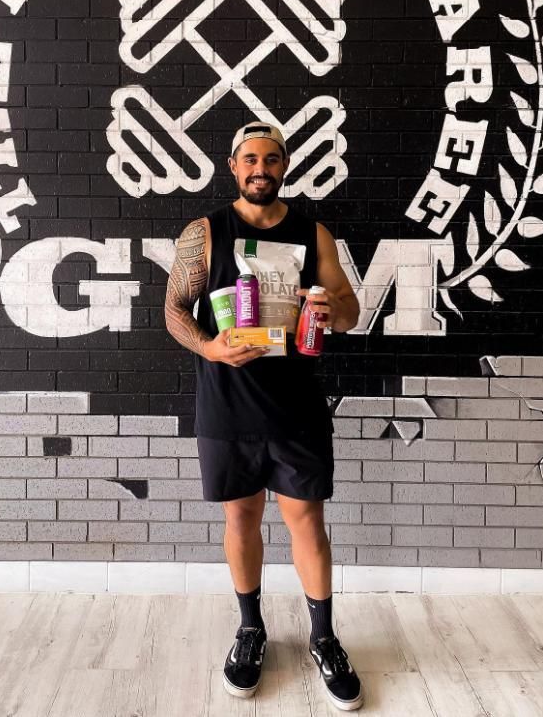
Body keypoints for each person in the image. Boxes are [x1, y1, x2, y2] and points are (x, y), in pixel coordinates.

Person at [164, 121, 363, 711]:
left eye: (272, 159)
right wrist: (208, 347)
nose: (261, 168)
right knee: (242, 517)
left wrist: (329, 307)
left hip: (296, 405)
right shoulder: (204, 232)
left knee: (307, 522)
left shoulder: (311, 232)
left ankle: (323, 638)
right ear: (233, 166)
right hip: (227, 405)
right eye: (250, 158)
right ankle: (251, 630)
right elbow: (174, 309)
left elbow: (350, 313)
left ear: (285, 166)